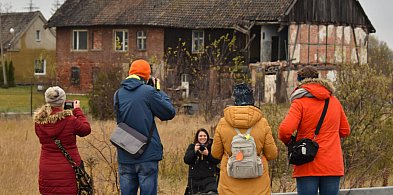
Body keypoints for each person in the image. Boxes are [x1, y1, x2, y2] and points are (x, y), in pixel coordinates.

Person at [278, 65, 350, 195]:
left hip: (307, 161)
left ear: (300, 81)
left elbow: (284, 131)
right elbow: (345, 131)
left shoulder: (299, 103)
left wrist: (290, 142)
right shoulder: (334, 101)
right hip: (332, 163)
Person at [114, 59, 176, 195]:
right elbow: (169, 113)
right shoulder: (149, 92)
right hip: (147, 154)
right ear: (147, 76)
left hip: (125, 152)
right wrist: (158, 90)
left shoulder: (118, 94)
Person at [211, 83, 278, 195]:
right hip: (258, 185)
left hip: (229, 184)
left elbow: (215, 153)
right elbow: (272, 154)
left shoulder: (223, 123)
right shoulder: (262, 123)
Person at [33, 86, 91, 194]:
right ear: (63, 101)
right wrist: (77, 110)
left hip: (47, 169)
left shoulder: (39, 122)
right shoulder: (70, 120)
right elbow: (86, 130)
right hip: (69, 169)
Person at [184, 128, 220, 195]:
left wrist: (208, 154)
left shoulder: (212, 147)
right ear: (197, 137)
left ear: (207, 137)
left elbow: (217, 160)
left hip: (209, 179)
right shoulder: (192, 146)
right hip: (195, 179)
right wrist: (194, 151)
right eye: (200, 136)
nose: (203, 137)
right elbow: (186, 160)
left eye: (204, 136)